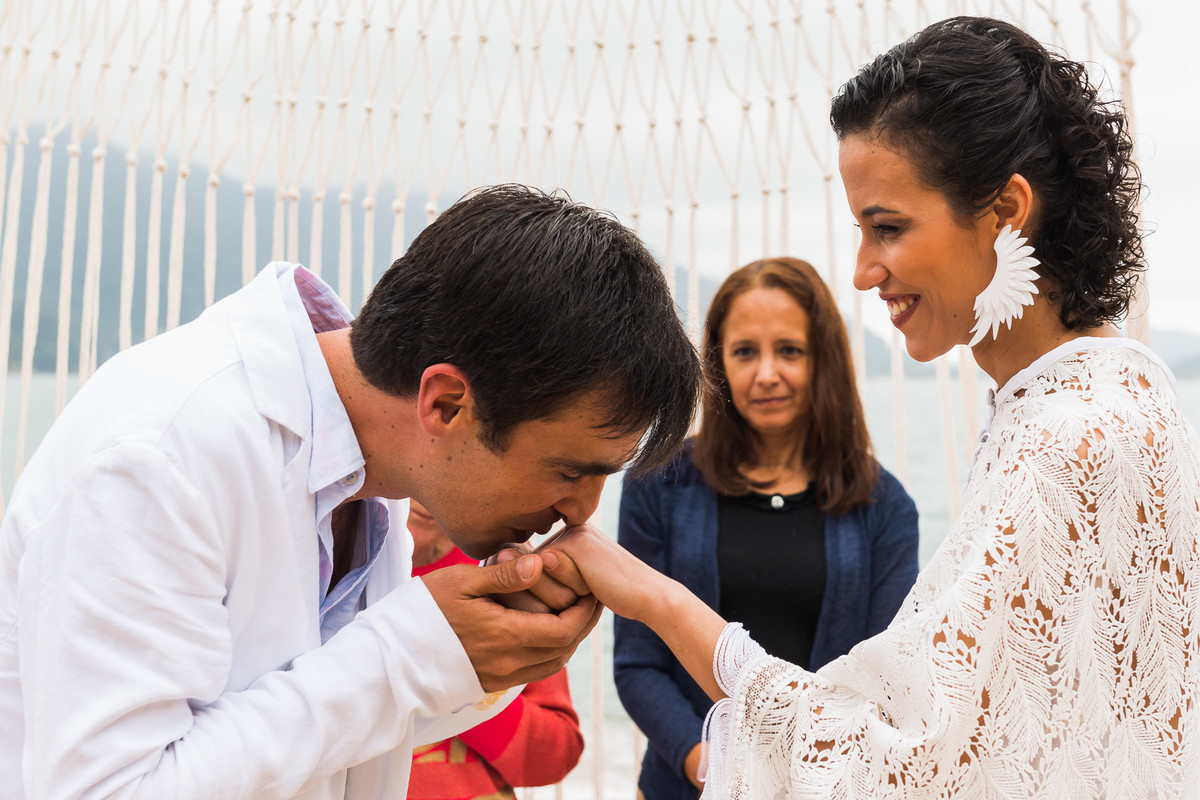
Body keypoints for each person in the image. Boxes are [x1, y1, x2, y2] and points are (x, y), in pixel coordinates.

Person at [537, 17, 1200, 799]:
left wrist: (652, 596)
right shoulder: (1110, 402)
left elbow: (904, 766)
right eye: (860, 230)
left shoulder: (1074, 439)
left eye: (886, 227)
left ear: (1007, 211)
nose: (861, 272)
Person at [0, 185, 701, 798]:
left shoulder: (371, 472)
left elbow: (319, 737)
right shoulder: (162, 455)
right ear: (447, 405)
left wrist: (483, 656)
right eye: (572, 470)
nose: (580, 510)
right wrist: (412, 654)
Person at [613, 257, 919, 798]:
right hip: (688, 784)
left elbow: (883, 678)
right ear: (717, 364)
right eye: (745, 352)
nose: (766, 373)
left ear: (822, 360)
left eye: (790, 351)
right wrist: (708, 766)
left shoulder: (884, 506)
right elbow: (638, 662)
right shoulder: (658, 484)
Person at [405, 498, 585, 799]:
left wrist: (453, 677)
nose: (426, 498)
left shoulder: (504, 571)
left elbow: (556, 754)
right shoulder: (331, 576)